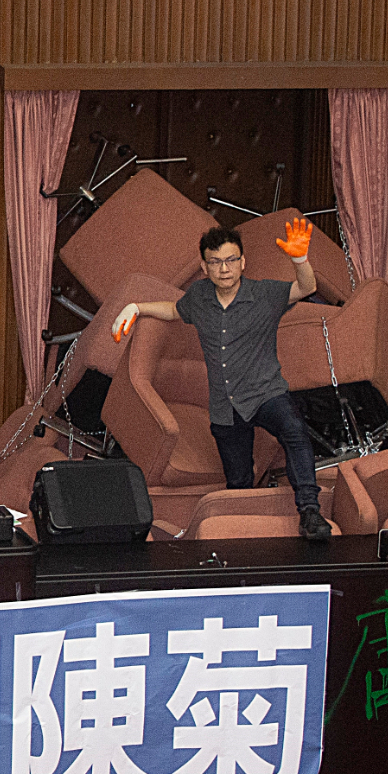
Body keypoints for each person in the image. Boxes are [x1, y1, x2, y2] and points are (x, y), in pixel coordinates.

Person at [111, 221, 332, 542]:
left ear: (243, 262)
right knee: (238, 482)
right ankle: (241, 536)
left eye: (230, 260)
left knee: (294, 431)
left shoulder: (264, 294)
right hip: (225, 406)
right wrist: (136, 307)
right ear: (204, 267)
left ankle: (310, 511)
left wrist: (300, 260)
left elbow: (306, 287)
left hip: (266, 394)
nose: (224, 269)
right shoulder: (199, 296)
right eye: (215, 262)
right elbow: (174, 310)